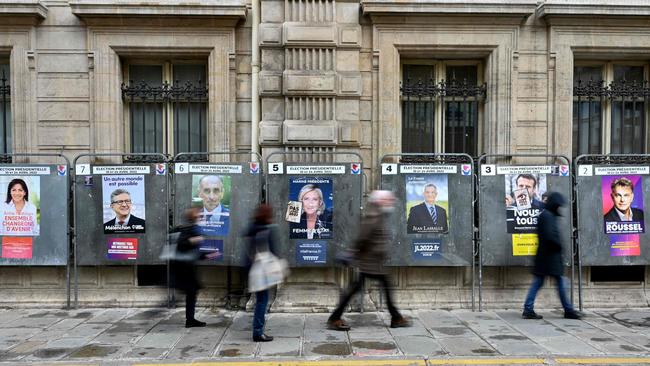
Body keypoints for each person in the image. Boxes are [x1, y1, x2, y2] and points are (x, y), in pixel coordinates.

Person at [328, 190, 410, 331]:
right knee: (371, 287)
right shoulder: (373, 216)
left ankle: (396, 317)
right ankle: (334, 318)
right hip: (370, 262)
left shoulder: (378, 214)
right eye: (388, 200)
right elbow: (362, 238)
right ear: (380, 201)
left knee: (358, 287)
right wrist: (355, 253)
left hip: (373, 262)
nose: (391, 203)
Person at [522, 192, 581, 320]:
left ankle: (529, 309)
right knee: (559, 283)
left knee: (541, 283)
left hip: (546, 257)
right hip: (549, 257)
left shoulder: (547, 215)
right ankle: (568, 310)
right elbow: (550, 236)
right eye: (558, 205)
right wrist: (559, 245)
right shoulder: (547, 216)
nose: (559, 208)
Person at [171, 208, 220, 328]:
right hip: (184, 268)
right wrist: (192, 240)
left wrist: (207, 255)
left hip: (185, 267)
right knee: (190, 291)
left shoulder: (192, 228)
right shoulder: (189, 229)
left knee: (191, 292)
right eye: (199, 215)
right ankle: (189, 319)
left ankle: (190, 319)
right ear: (194, 217)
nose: (201, 217)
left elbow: (193, 252)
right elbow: (183, 244)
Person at [245, 204, 278, 342]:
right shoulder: (264, 230)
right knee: (262, 301)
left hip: (254, 269)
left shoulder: (253, 227)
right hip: (261, 271)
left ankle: (258, 330)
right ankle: (258, 332)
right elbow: (271, 251)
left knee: (261, 300)